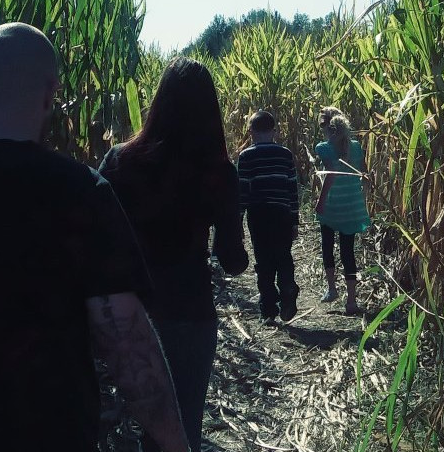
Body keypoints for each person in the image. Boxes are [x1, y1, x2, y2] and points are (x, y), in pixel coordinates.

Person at [0, 22, 190, 452]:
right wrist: (176, 445)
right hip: (50, 432)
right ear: (51, 95)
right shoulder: (81, 191)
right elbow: (126, 341)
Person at [99, 57, 248, 452]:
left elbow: (95, 240)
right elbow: (232, 259)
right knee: (180, 432)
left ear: (158, 103)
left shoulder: (118, 161)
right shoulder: (219, 173)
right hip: (188, 313)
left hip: (125, 315)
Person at [238, 110, 300, 322]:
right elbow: (292, 189)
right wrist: (294, 220)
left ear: (251, 131)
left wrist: (238, 221)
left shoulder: (246, 156)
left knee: (263, 260)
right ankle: (288, 291)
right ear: (274, 131)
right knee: (283, 255)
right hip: (282, 213)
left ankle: (269, 309)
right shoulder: (285, 154)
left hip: (259, 215)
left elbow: (243, 190)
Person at [314, 107, 370, 315]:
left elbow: (330, 175)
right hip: (352, 205)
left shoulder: (324, 147)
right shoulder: (355, 146)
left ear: (327, 127)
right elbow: (363, 173)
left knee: (327, 244)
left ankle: (331, 289)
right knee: (348, 251)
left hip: (333, 203)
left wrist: (320, 202)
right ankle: (352, 301)